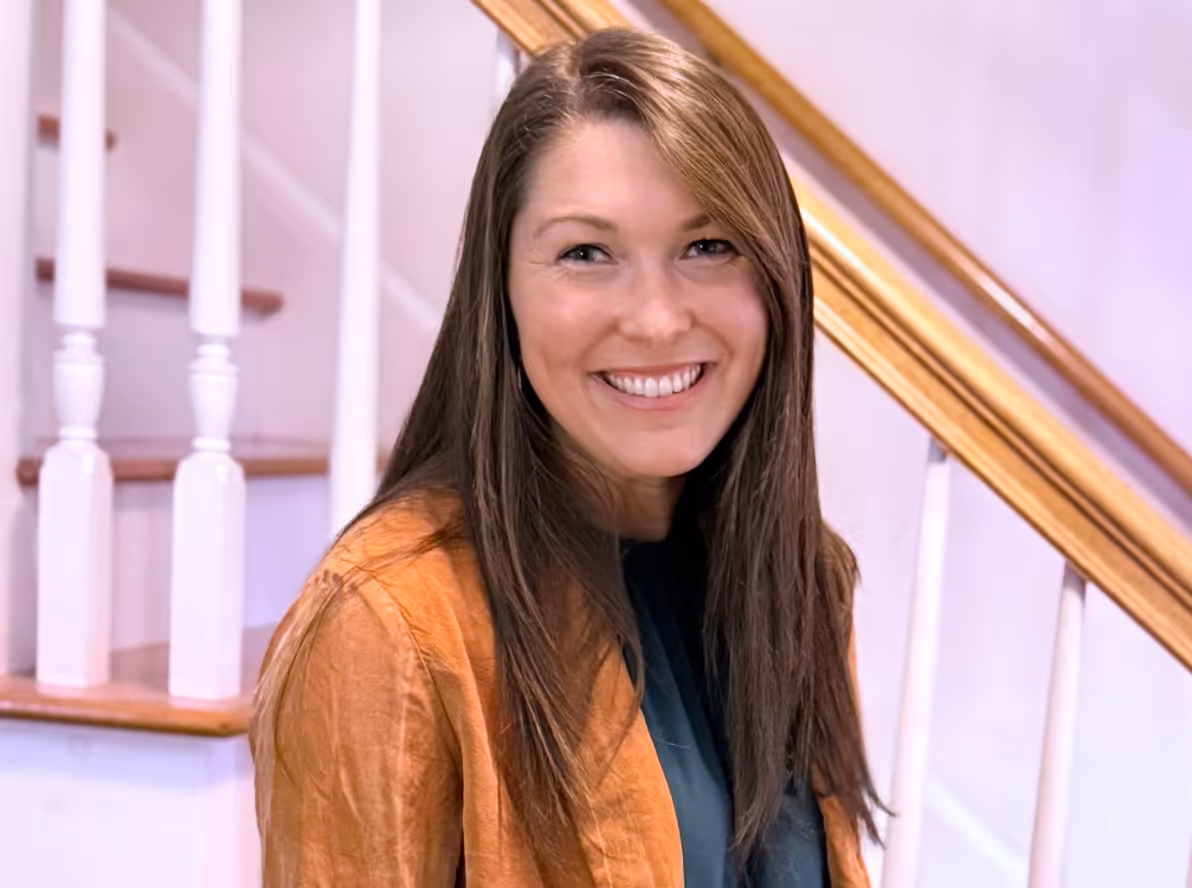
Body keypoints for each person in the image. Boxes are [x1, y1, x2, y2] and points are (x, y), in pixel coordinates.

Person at [250, 26, 882, 887]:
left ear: (774, 279)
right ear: (500, 289)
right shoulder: (389, 624)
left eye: (708, 246)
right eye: (587, 253)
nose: (657, 319)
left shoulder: (804, 578)